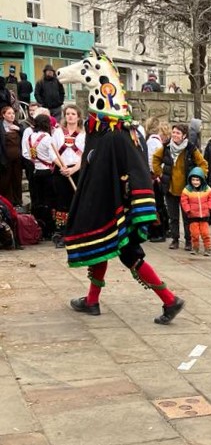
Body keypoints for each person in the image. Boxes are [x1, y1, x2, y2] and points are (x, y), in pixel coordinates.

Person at [56, 51, 184, 326]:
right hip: (108, 205)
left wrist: (132, 207)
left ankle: (169, 300)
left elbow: (133, 172)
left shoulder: (117, 136)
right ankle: (92, 300)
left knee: (129, 254)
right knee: (102, 249)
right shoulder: (104, 131)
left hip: (118, 208)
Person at [152, 123, 208, 250]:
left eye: (178, 133)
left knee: (187, 217)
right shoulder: (166, 147)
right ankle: (175, 239)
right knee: (173, 217)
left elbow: (203, 164)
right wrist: (160, 174)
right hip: (170, 188)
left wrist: (198, 178)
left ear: (184, 136)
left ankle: (189, 241)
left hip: (186, 189)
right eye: (174, 132)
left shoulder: (190, 148)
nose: (175, 135)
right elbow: (155, 159)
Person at [21, 113, 62, 238]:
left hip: (36, 171)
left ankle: (40, 227)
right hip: (48, 172)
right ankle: (50, 228)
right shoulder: (48, 138)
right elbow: (53, 156)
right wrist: (62, 166)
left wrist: (36, 161)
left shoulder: (30, 137)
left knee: (39, 200)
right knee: (50, 201)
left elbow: (27, 154)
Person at [51, 103, 85, 248]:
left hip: (77, 171)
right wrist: (63, 167)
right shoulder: (58, 133)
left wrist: (74, 169)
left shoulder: (84, 135)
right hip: (61, 170)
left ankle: (76, 232)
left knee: (76, 200)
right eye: (68, 114)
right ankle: (61, 233)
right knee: (61, 201)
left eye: (73, 114)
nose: (70, 116)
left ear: (78, 117)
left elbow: (85, 156)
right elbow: (52, 153)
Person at [145, 118, 171, 241]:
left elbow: (152, 160)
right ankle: (165, 228)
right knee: (159, 204)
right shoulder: (156, 141)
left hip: (154, 178)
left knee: (156, 205)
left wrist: (154, 175)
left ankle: (159, 231)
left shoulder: (152, 142)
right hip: (157, 176)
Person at [180, 167, 211, 256]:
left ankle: (208, 248)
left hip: (204, 216)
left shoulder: (207, 189)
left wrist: (209, 207)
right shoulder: (187, 190)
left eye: (197, 180)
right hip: (193, 216)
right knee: (194, 234)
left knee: (205, 233)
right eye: (193, 180)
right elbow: (184, 201)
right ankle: (195, 248)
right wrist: (188, 210)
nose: (195, 182)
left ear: (202, 180)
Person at [0, 105, 25, 207]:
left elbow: (26, 136)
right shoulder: (1, 126)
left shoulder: (18, 125)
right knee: (5, 181)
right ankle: (6, 203)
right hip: (4, 159)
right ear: (3, 115)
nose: (12, 115)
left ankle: (18, 202)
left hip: (18, 160)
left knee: (17, 180)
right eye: (9, 113)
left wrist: (19, 129)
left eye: (13, 113)